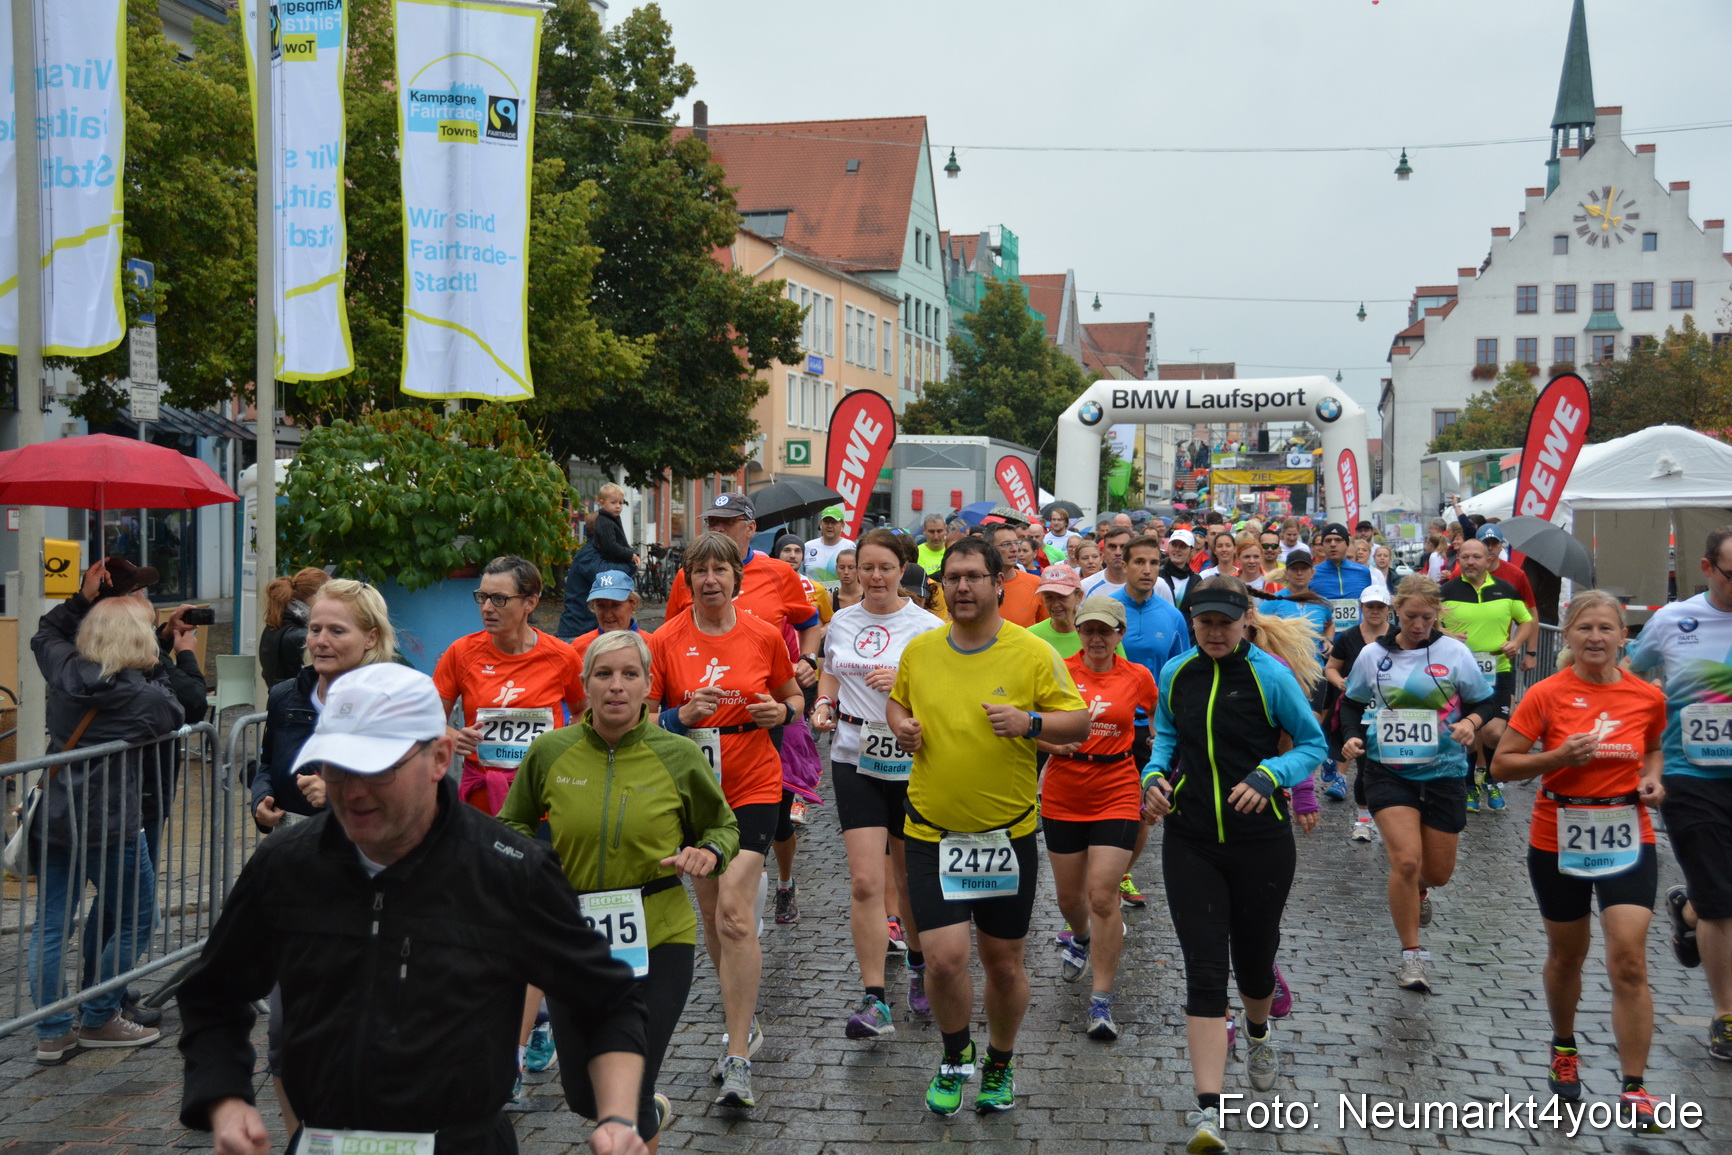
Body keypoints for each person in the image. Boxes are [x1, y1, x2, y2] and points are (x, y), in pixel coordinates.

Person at [176, 663, 652, 1155]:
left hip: (462, 1143)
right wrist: (228, 1100)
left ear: (439, 758)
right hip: (324, 1141)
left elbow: (608, 1000)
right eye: (337, 768)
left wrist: (617, 1117)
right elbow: (214, 994)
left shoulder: (510, 870)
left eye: (378, 769)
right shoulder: (287, 864)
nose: (353, 791)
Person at [500, 630, 739, 1147]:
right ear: (584, 684)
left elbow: (723, 826)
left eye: (630, 675)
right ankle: (647, 1113)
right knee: (586, 1097)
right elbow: (512, 824)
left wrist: (709, 853)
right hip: (573, 941)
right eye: (604, 674)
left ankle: (638, 1112)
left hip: (659, 934)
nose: (616, 686)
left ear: (650, 686)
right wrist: (530, 866)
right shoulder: (549, 752)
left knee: (630, 1087)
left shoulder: (677, 754)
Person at [886, 537, 1088, 1116]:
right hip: (931, 833)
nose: (963, 588)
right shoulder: (921, 650)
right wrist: (901, 726)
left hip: (1006, 836)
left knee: (1002, 965)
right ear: (940, 584)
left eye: (974, 576)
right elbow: (898, 704)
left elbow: (1076, 723)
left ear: (999, 582)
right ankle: (954, 1057)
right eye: (952, 578)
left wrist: (1031, 722)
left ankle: (999, 1061)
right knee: (945, 959)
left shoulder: (1029, 652)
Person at [1141, 579, 1328, 1155]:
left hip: (1260, 842)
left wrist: (1272, 774)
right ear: (1191, 623)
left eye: (1226, 622)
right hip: (1191, 839)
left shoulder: (1269, 675)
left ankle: (1257, 1028)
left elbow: (1313, 744)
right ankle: (1208, 1113)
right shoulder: (1177, 674)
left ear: (1245, 620)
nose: (1216, 633)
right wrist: (1154, 777)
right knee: (1202, 969)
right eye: (1205, 623)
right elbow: (1165, 737)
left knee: (1253, 962)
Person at [1488, 591, 1669, 1129]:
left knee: (1629, 960)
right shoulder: (1545, 695)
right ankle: (1564, 1047)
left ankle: (1635, 1087)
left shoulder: (1646, 697)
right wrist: (1557, 757)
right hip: (1558, 833)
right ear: (1566, 636)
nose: (1596, 637)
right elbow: (1501, 765)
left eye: (1606, 629)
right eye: (1585, 628)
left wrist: (1652, 779)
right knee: (1568, 956)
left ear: (1622, 637)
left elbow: (1654, 747)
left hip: (1627, 833)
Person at [647, 532, 803, 1109]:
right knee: (713, 915)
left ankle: (737, 1051)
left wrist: (781, 711)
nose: (710, 579)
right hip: (691, 790)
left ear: (738, 576)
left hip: (755, 783)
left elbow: (793, 698)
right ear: (686, 578)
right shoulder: (665, 639)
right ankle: (743, 1014)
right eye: (699, 570)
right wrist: (677, 715)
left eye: (721, 569)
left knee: (736, 914)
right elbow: (643, 721)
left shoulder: (763, 635)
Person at [248, 578, 400, 1129]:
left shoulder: (396, 696)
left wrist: (339, 794)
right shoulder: (287, 695)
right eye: (314, 628)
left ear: (370, 637)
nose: (320, 640)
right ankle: (300, 1141)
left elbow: (419, 790)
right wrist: (260, 797)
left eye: (337, 629)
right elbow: (267, 763)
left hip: (376, 880)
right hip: (300, 877)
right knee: (288, 1032)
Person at [29, 564, 184, 1063]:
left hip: (56, 820)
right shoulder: (140, 696)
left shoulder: (65, 672)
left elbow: (45, 634)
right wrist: (155, 658)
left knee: (52, 924)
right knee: (140, 918)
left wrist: (81, 598)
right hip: (113, 825)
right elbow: (177, 711)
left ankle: (52, 1032)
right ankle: (98, 1016)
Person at [811, 528, 945, 1040]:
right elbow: (831, 674)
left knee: (910, 883)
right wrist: (824, 704)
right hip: (854, 758)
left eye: (885, 567)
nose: (874, 577)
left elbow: (946, 697)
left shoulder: (929, 628)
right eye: (866, 567)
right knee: (867, 882)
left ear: (903, 569)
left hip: (912, 766)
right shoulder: (841, 621)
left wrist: (905, 685)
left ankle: (917, 965)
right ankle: (874, 999)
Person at [1340, 574, 1497, 994]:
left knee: (1437, 873)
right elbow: (1352, 701)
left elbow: (1486, 698)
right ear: (1397, 611)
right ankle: (1412, 956)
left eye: (1427, 617)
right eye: (1410, 616)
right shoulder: (1374, 655)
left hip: (1445, 771)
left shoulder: (1455, 653)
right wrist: (1351, 736)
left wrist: (1470, 721)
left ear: (1438, 614)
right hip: (1387, 771)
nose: (1418, 625)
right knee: (1406, 861)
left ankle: (1422, 892)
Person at [1626, 525, 1732, 1062]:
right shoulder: (1672, 622)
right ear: (1708, 569)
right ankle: (1725, 1015)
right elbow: (1631, 673)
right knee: (1722, 898)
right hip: (1690, 775)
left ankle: (1688, 913)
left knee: (1718, 897)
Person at [1041, 596, 1158, 1041]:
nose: (1095, 638)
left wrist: (1156, 771)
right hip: (1064, 791)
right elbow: (1029, 728)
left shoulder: (1138, 677)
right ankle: (1082, 937)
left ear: (1119, 635)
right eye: (1088, 629)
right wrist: (1052, 746)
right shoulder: (1060, 671)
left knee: (1103, 893)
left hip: (1117, 788)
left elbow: (1162, 721)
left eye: (1104, 631)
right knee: (1071, 900)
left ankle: (1102, 1000)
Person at [435, 556, 586, 816]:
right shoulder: (461, 653)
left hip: (543, 795)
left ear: (530, 602)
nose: (487, 608)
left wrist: (562, 747)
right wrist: (455, 737)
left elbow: (584, 712)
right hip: (480, 799)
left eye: (499, 599)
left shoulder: (562, 656)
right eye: (482, 597)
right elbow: (429, 720)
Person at [664, 494, 823, 688]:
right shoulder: (688, 575)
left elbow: (810, 623)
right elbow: (669, 640)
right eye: (713, 522)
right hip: (703, 698)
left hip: (762, 702)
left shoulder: (780, 573)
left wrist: (808, 660)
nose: (718, 529)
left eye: (728, 522)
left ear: (751, 528)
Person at [1111, 535, 1192, 907]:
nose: (1147, 570)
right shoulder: (1107, 608)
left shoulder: (1172, 616)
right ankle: (1101, 877)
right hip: (1111, 719)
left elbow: (1180, 674)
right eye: (1139, 562)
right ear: (1123, 565)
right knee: (1110, 800)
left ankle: (1120, 874)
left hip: (1153, 726)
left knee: (1145, 804)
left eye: (1153, 564)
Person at [1439, 536, 1536, 814]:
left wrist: (1517, 644)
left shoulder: (1505, 590)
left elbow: (1527, 621)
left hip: (1499, 672)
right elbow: (1429, 625)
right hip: (1459, 674)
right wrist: (1447, 635)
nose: (1471, 561)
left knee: (1494, 732)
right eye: (1465, 557)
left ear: (1488, 560)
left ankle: (1491, 779)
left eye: (1476, 557)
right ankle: (1470, 785)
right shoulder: (1446, 591)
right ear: (1459, 561)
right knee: (1467, 731)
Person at [1325, 586, 1394, 841]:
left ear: (1389, 609)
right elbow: (1331, 667)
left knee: (1394, 768)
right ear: (1362, 608)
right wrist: (1340, 683)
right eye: (1370, 606)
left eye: (1380, 607)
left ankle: (1392, 820)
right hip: (1358, 708)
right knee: (1365, 767)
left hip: (1392, 712)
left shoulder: (1399, 636)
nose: (1375, 611)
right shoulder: (1349, 637)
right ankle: (1363, 821)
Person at [559, 483, 638, 639]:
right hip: (577, 631)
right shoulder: (588, 555)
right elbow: (612, 578)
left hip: (590, 630)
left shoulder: (598, 553)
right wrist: (630, 561)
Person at [258, 567, 329, 688]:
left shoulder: (278, 625)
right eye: (329, 595)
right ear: (315, 596)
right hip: (295, 702)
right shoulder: (300, 636)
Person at [568, 570, 652, 672]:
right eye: (601, 606)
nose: (608, 615)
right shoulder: (579, 646)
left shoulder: (652, 645)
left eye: (615, 605)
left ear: (633, 603)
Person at [985, 522, 1049, 628]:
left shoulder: (1035, 584)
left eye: (1016, 543)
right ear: (989, 548)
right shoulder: (978, 584)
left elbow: (1046, 629)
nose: (1015, 549)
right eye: (1006, 544)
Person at [804, 505, 855, 591]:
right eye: (826, 522)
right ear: (821, 524)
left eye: (834, 522)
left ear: (842, 525)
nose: (830, 526)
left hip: (841, 600)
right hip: (813, 600)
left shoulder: (850, 546)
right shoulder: (808, 546)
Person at [1080, 526, 1130, 597]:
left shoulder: (1147, 587)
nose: (1118, 552)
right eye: (1112, 547)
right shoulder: (1085, 587)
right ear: (1103, 552)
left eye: (1123, 547)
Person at [1154, 530, 1198, 608]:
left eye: (1183, 546)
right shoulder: (1156, 574)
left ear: (1191, 551)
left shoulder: (1196, 580)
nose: (1177, 549)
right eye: (1174, 545)